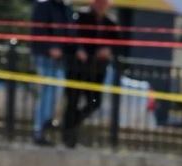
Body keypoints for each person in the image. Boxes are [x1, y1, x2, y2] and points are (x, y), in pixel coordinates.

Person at [60, 0, 123, 148]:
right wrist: (79, 50)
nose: (101, 5)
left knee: (95, 102)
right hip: (77, 68)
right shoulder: (80, 16)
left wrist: (108, 50)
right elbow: (71, 36)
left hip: (97, 71)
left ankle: (72, 124)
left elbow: (118, 45)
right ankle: (68, 138)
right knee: (72, 102)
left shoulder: (110, 22)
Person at [29, 0, 72, 146]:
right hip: (44, 57)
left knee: (56, 91)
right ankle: (39, 129)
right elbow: (38, 31)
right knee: (47, 92)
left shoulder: (65, 7)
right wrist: (50, 47)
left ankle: (46, 123)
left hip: (60, 59)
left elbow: (69, 31)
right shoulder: (43, 5)